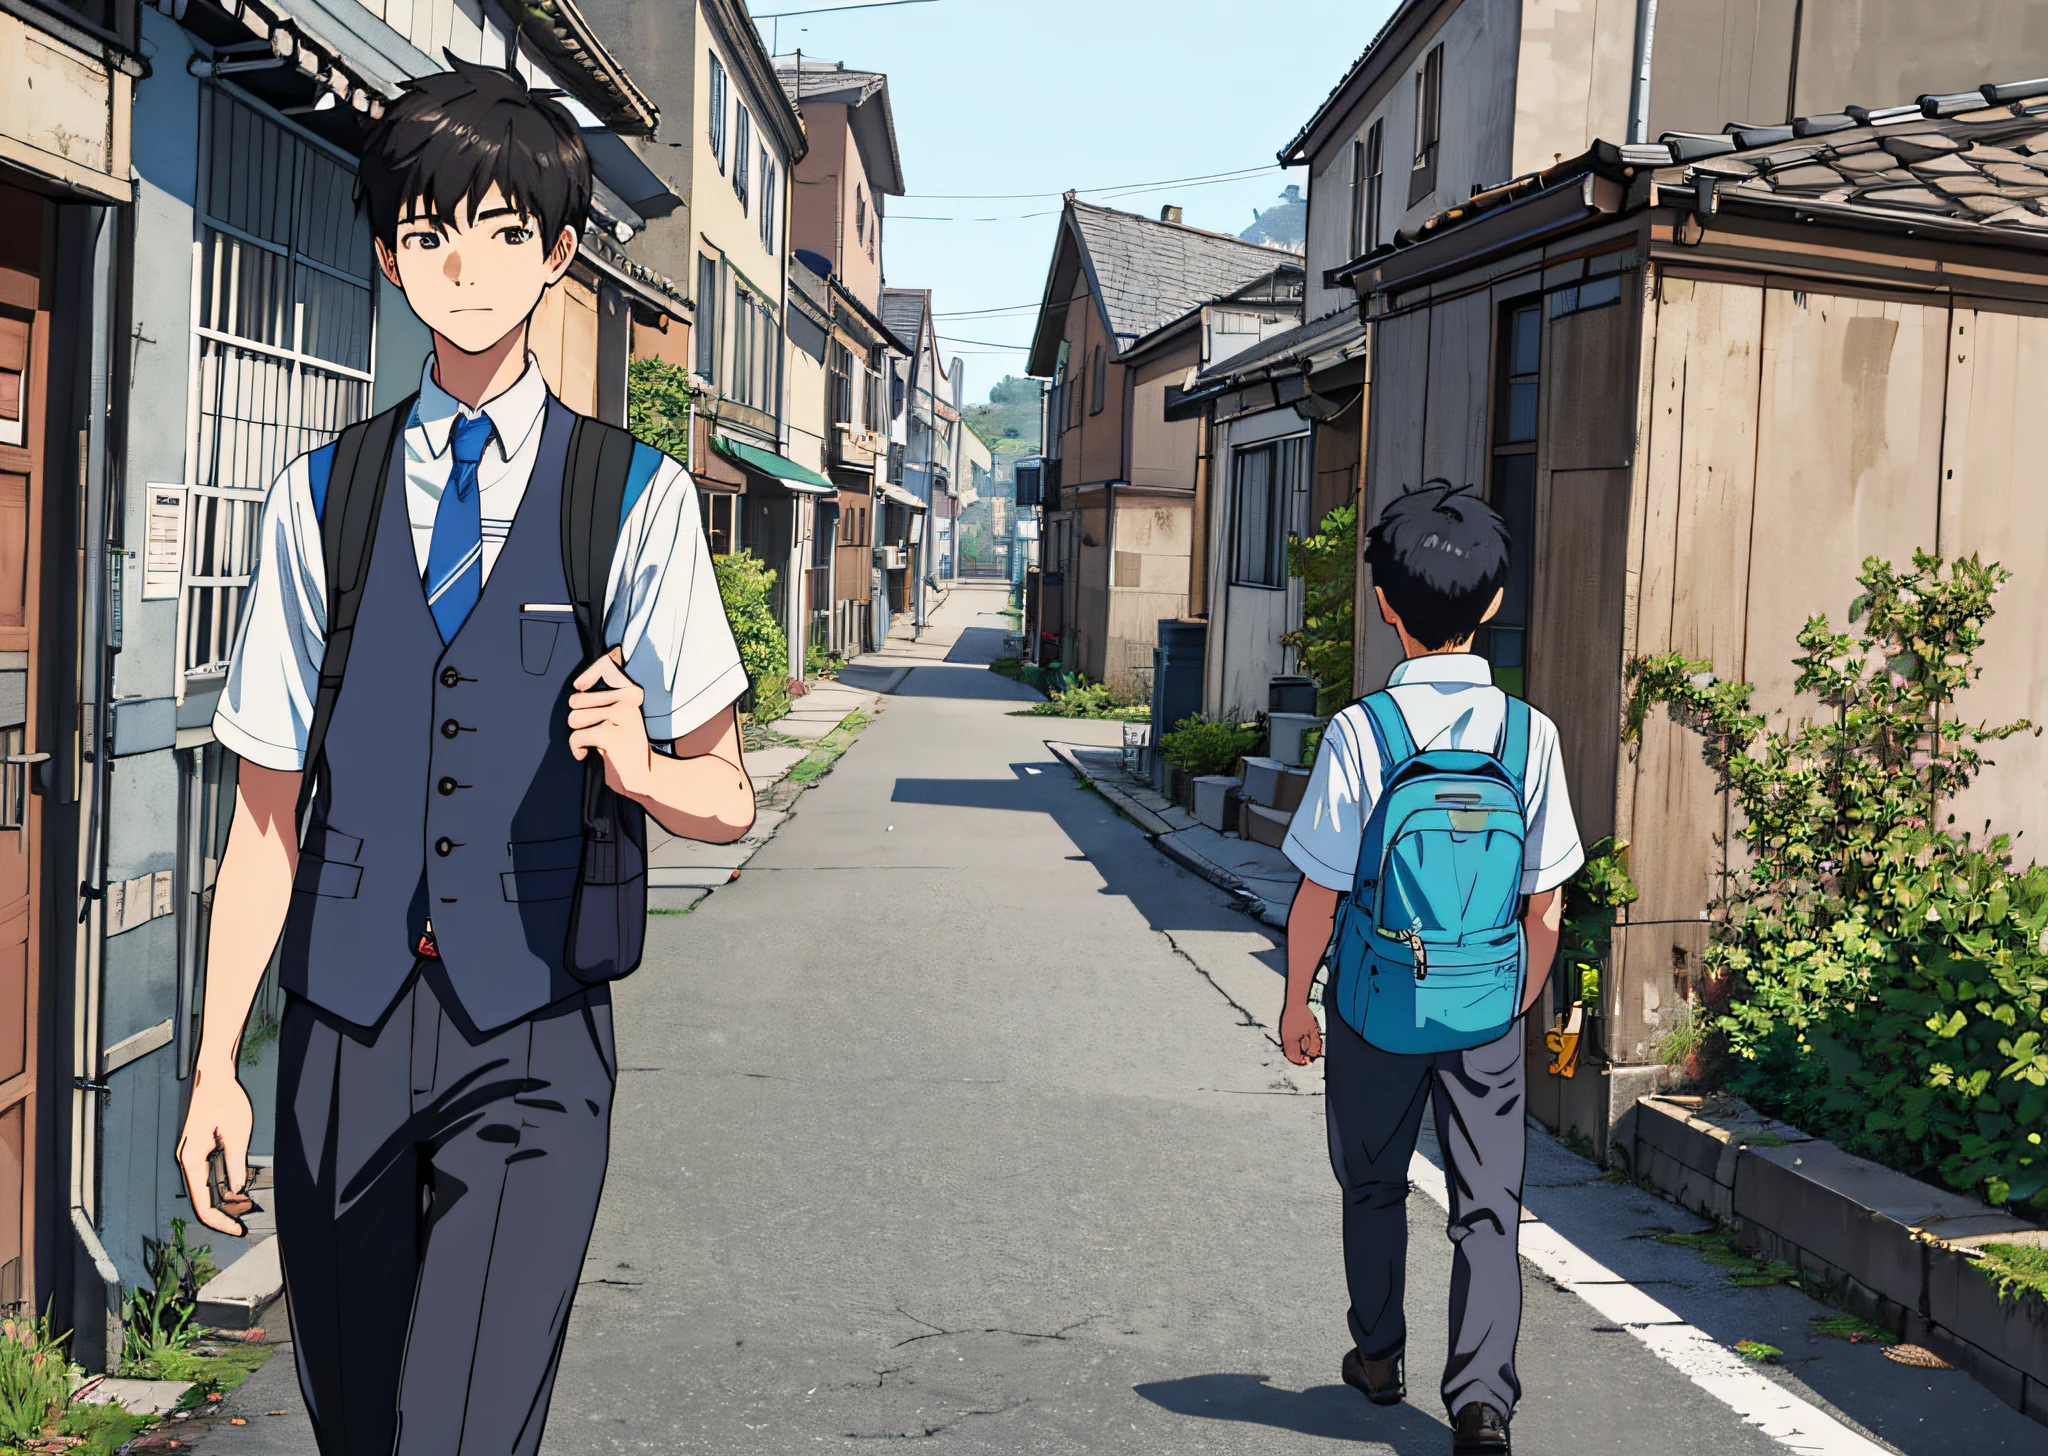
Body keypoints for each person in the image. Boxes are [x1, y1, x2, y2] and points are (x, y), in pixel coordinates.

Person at [173, 58, 756, 1455]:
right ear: (390, 254)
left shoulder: (634, 497)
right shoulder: (322, 498)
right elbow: (264, 819)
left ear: (557, 253)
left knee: (463, 1433)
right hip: (342, 1041)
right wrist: (214, 1063)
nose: (466, 268)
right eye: (430, 235)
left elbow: (727, 791)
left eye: (502, 233)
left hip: (536, 1038)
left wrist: (641, 768)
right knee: (362, 1427)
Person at [1277, 482, 1583, 1456]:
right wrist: (1514, 995)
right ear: (1491, 604)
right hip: (1486, 1004)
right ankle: (1481, 1399)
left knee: (1370, 1182)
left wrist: (1295, 1002)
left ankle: (1376, 1356)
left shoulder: (1359, 735)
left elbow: (1319, 894)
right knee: (1487, 1202)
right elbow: (1544, 902)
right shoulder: (1529, 736)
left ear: (1383, 603)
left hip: (1372, 1003)